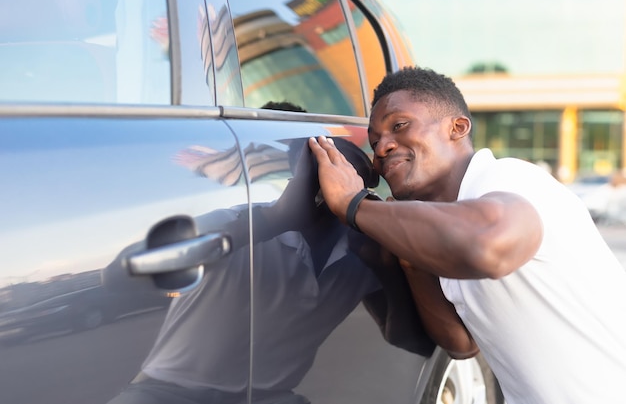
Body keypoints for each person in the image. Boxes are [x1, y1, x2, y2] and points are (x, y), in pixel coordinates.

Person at [308, 66, 626, 404]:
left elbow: (487, 245)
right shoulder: (446, 224)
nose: (383, 147)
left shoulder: (509, 179)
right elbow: (463, 345)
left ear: (457, 128)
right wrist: (411, 260)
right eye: (374, 142)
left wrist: (353, 204)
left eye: (399, 126)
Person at [107, 134, 433, 404]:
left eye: (347, 175)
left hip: (267, 396)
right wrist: (272, 221)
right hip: (167, 391)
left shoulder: (361, 252)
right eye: (317, 174)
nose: (327, 188)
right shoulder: (239, 223)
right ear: (296, 181)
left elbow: (413, 343)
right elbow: (118, 274)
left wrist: (386, 270)